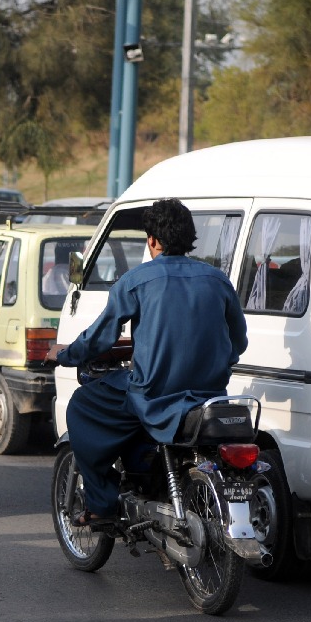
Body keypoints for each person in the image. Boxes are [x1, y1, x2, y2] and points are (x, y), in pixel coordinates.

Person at [46, 198, 248, 527]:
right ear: (189, 238)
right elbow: (238, 342)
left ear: (151, 240)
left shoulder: (136, 280)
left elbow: (99, 339)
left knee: (82, 405)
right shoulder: (218, 280)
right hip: (210, 397)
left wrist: (65, 353)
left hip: (153, 396)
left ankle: (101, 504)